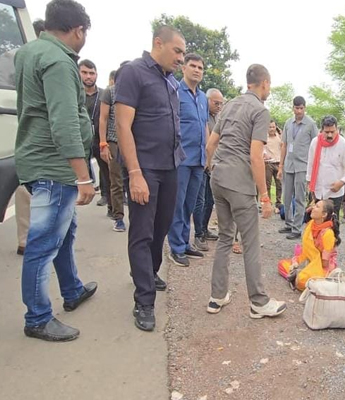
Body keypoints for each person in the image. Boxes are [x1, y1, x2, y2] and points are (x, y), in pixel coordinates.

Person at [14, 0, 97, 341]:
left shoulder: (28, 52)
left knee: (63, 233)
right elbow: (63, 122)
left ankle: (72, 289)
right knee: (44, 243)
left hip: (39, 159)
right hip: (55, 165)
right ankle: (37, 318)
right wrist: (83, 176)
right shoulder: (59, 62)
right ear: (77, 30)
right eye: (84, 33)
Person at [115, 25, 186, 331]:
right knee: (142, 233)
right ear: (159, 43)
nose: (181, 58)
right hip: (145, 169)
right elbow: (122, 126)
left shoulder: (170, 81)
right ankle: (143, 301)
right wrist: (134, 173)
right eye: (178, 51)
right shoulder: (133, 72)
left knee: (161, 228)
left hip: (170, 166)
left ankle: (149, 272)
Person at [205, 64, 286, 319]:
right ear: (264, 83)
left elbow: (210, 144)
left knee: (225, 237)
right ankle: (259, 303)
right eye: (269, 85)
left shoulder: (228, 105)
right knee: (250, 243)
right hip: (239, 183)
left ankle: (217, 297)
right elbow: (255, 155)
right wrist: (264, 195)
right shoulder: (260, 111)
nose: (269, 90)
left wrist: (213, 168)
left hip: (218, 178)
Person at [167, 53, 210, 267]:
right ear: (183, 68)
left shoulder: (202, 98)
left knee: (190, 205)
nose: (197, 70)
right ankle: (175, 247)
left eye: (200, 67)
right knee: (177, 203)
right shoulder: (174, 91)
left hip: (199, 160)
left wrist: (208, 156)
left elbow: (204, 127)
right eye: (193, 65)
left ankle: (184, 242)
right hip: (181, 159)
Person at [14, 20, 46, 256]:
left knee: (25, 187)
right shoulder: (47, 58)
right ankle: (34, 240)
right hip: (40, 139)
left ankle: (26, 239)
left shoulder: (18, 55)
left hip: (23, 133)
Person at [278, 96, 319, 240]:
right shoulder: (288, 123)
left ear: (305, 108)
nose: (299, 111)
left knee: (300, 198)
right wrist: (280, 165)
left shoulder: (311, 124)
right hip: (289, 164)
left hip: (303, 165)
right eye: (297, 108)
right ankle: (288, 223)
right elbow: (284, 145)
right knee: (287, 196)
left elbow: (316, 146)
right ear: (293, 108)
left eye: (301, 108)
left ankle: (296, 228)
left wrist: (314, 169)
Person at [306, 115, 345, 220]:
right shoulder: (315, 143)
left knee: (331, 224)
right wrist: (309, 184)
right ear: (321, 130)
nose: (330, 135)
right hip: (317, 191)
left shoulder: (344, 145)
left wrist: (341, 182)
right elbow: (310, 164)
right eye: (327, 132)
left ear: (337, 129)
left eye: (332, 132)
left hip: (334, 193)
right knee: (315, 222)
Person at [193, 88, 224, 251]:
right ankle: (198, 234)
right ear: (208, 100)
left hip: (214, 165)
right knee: (200, 201)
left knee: (210, 201)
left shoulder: (218, 118)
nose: (219, 106)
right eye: (216, 103)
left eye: (221, 103)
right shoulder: (203, 116)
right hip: (202, 163)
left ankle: (204, 229)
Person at [286, 200, 340, 291]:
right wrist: (299, 262)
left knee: (302, 280)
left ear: (324, 214)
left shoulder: (328, 234)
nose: (313, 208)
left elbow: (324, 263)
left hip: (323, 266)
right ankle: (298, 274)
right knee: (285, 265)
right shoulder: (311, 224)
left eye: (317, 207)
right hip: (310, 260)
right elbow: (306, 250)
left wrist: (311, 266)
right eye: (314, 205)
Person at [98, 69, 126, 232]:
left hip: (134, 142)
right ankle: (118, 218)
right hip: (114, 141)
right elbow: (103, 118)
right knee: (116, 180)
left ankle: (137, 218)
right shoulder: (111, 91)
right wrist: (103, 144)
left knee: (134, 180)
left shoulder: (138, 91)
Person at [79, 59, 109, 209]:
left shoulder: (103, 94)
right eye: (84, 73)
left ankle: (105, 194)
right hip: (80, 137)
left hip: (99, 136)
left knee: (104, 167)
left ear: (96, 75)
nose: (88, 76)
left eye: (92, 73)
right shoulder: (74, 94)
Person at [264, 120, 283, 212]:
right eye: (270, 127)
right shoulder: (264, 138)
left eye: (273, 127)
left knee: (279, 184)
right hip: (268, 163)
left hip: (278, 162)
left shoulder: (279, 137)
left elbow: (283, 147)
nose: (272, 129)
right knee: (267, 184)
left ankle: (278, 204)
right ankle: (268, 204)